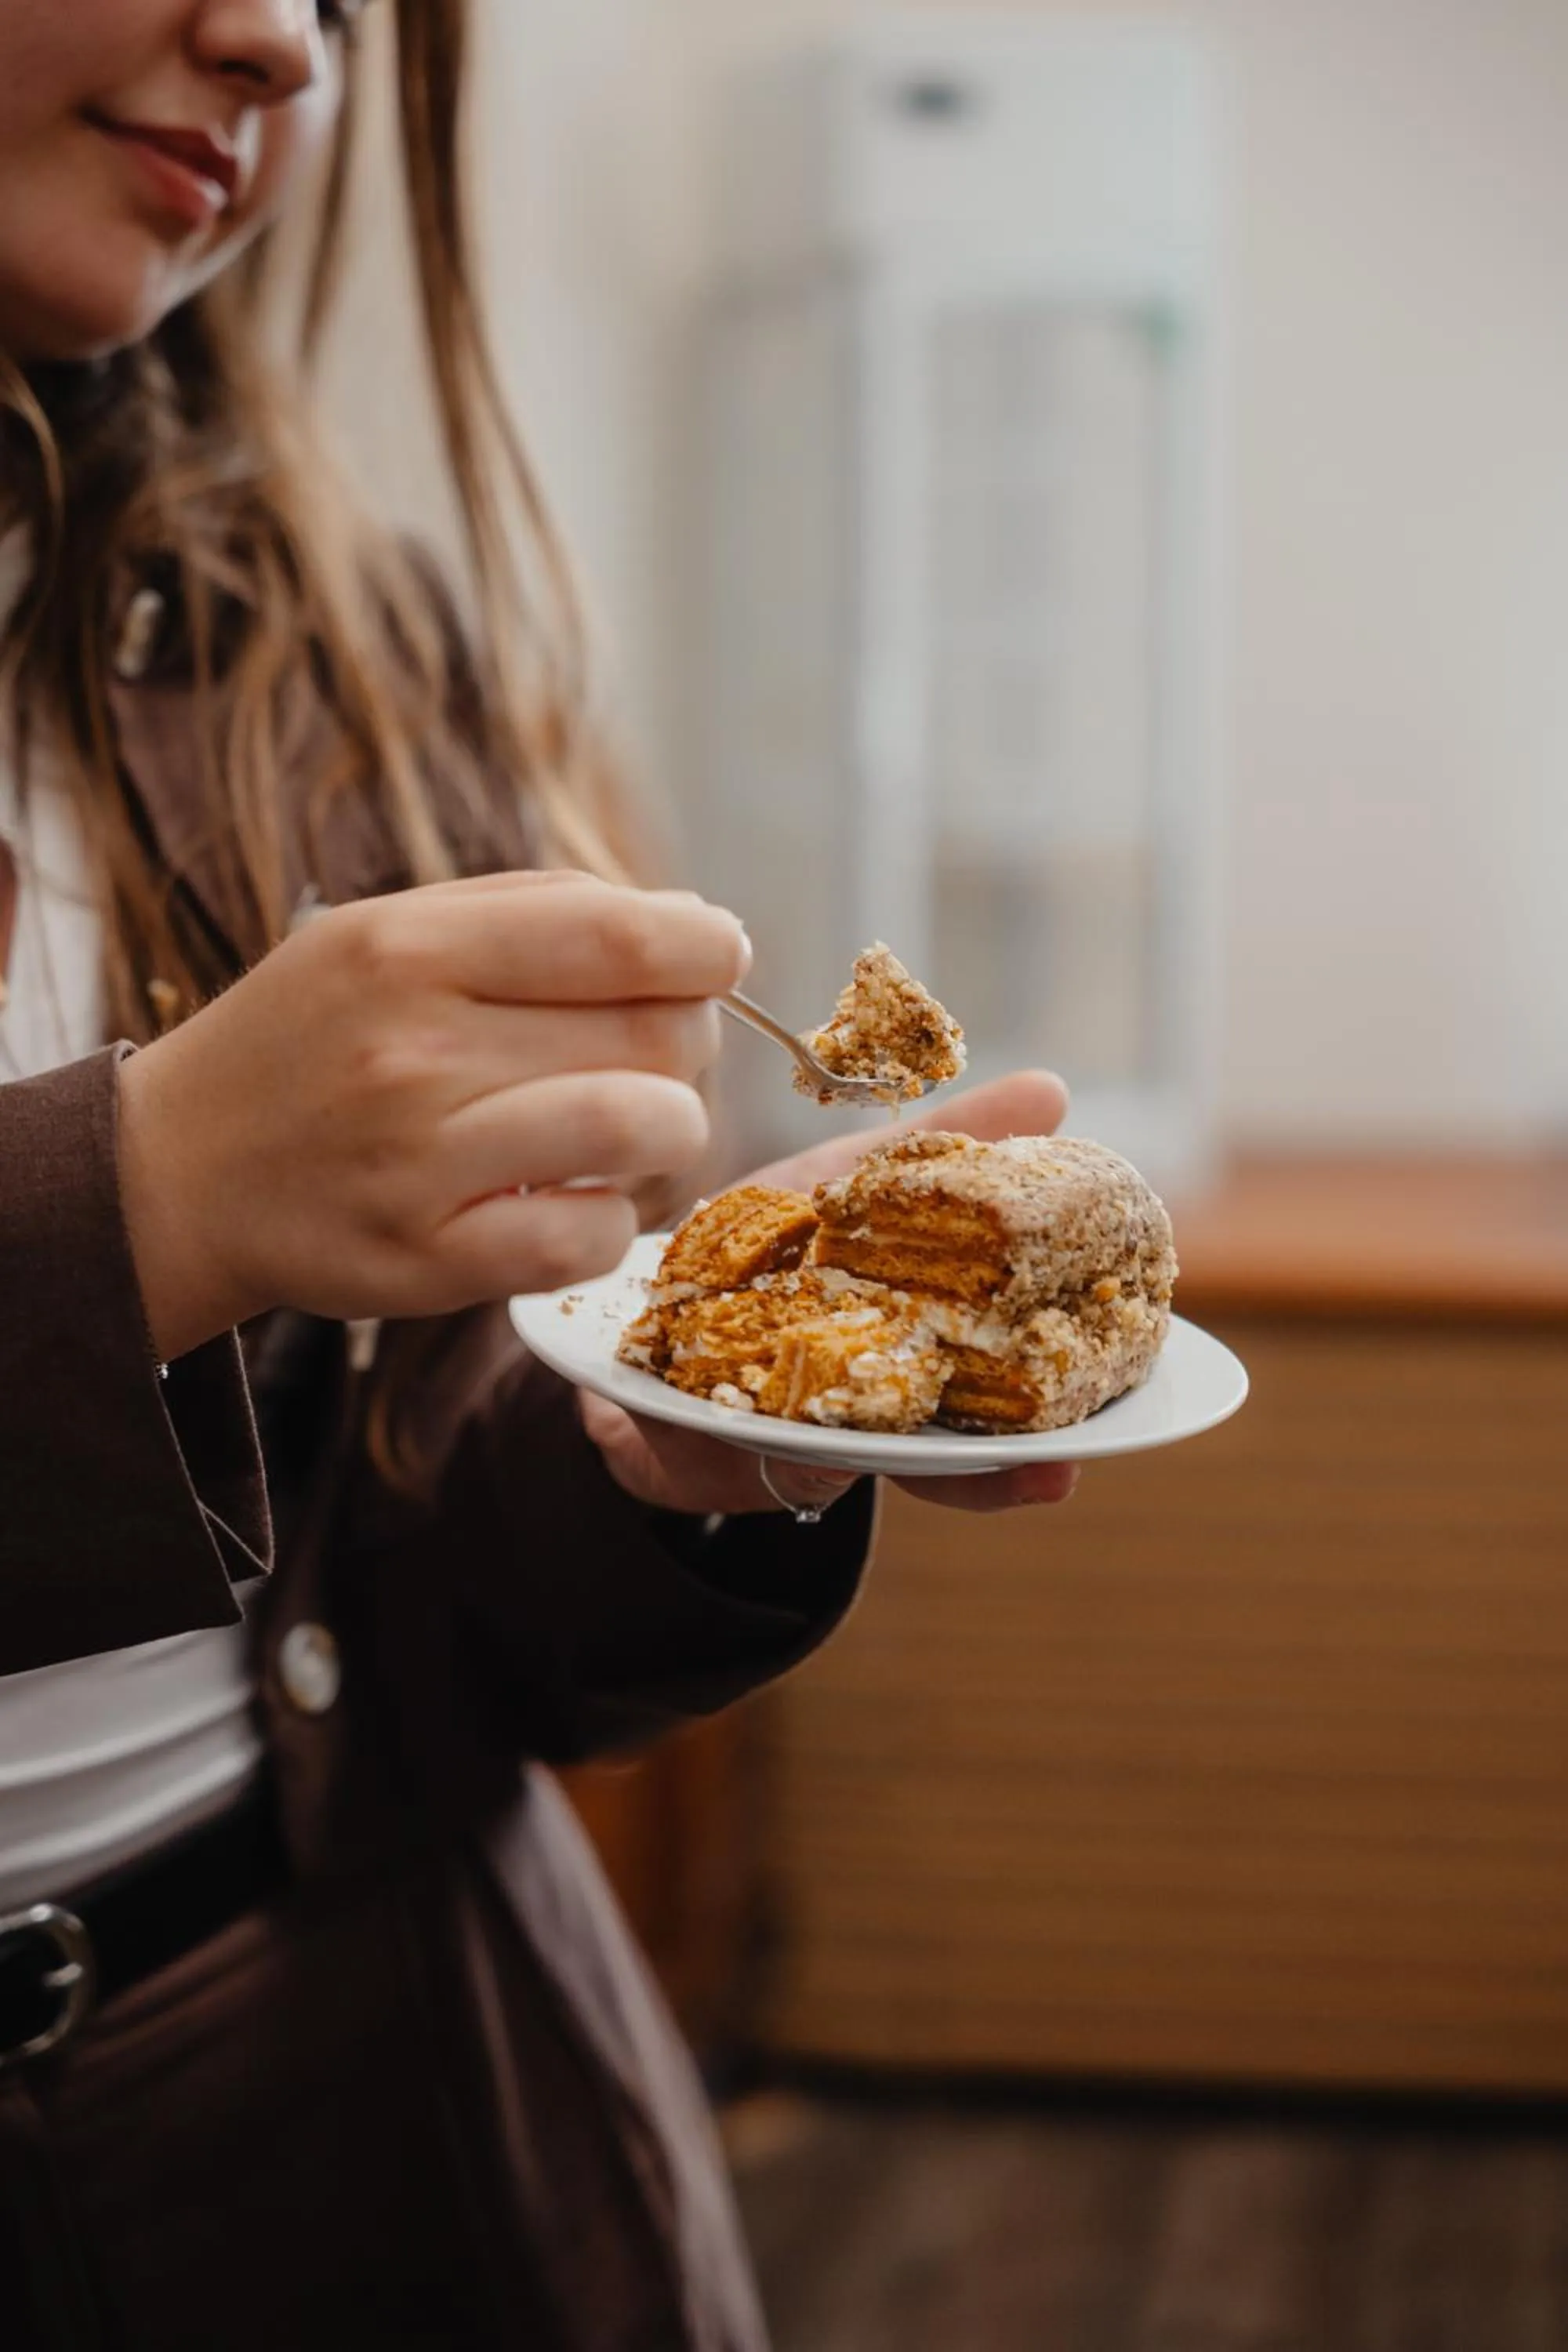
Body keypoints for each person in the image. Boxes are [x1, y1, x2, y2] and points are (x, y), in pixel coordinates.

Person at [0, 5, 1078, 2347]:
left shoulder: (342, 658)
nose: (277, 43)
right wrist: (148, 1200)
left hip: (362, 2103)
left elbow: (455, 1599)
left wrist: (685, 1451)